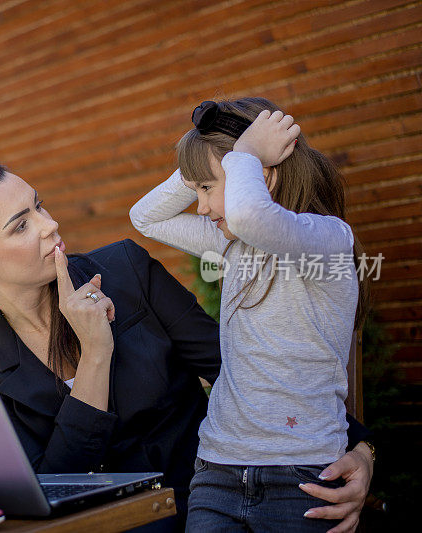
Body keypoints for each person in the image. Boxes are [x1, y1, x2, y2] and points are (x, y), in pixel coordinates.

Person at [0, 161, 373, 532]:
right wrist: (95, 353)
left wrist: (363, 449)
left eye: (39, 205)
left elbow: (241, 370)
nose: (50, 225)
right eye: (20, 225)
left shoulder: (126, 270)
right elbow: (55, 486)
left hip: (214, 502)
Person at [129, 97, 374, 532]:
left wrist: (242, 156)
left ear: (262, 174)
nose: (200, 207)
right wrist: (209, 160)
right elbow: (145, 216)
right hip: (215, 473)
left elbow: (248, 214)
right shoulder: (231, 246)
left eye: (207, 188)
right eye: (197, 188)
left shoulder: (329, 239)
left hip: (300, 479)